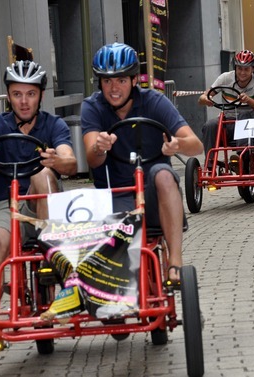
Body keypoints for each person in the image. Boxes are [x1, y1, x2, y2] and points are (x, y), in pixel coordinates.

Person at [81, 43, 203, 283]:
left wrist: (177, 144)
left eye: (121, 81)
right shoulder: (92, 107)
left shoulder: (154, 102)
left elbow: (196, 144)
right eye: (107, 81)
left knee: (163, 173)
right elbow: (91, 158)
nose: (113, 88)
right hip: (114, 195)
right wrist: (99, 147)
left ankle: (175, 263)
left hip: (154, 194)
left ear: (134, 80)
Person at [0, 60, 78, 309]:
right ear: (8, 96)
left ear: (40, 96)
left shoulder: (53, 124)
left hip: (42, 206)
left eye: (30, 94)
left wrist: (58, 160)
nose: (24, 101)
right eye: (17, 94)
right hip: (4, 206)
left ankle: (50, 256)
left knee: (42, 172)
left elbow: (70, 162)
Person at [198, 50, 254, 167]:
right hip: (228, 121)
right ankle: (210, 164)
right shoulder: (225, 78)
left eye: (246, 69)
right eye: (239, 68)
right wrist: (205, 99)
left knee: (243, 115)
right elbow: (203, 97)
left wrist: (249, 100)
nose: (242, 72)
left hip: (252, 124)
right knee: (210, 125)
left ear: (253, 69)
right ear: (235, 67)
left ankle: (241, 158)